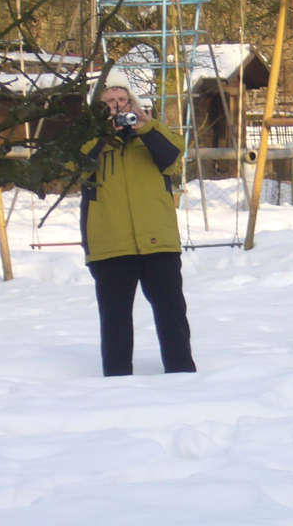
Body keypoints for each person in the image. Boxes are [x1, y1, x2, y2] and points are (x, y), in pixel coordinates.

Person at [80, 85, 196, 376]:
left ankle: (182, 375)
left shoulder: (152, 134)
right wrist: (104, 134)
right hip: (110, 243)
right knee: (115, 318)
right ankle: (117, 380)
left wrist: (145, 126)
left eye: (123, 101)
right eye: (109, 102)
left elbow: (172, 158)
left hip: (159, 241)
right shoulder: (86, 139)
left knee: (172, 313)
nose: (117, 107)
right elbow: (75, 166)